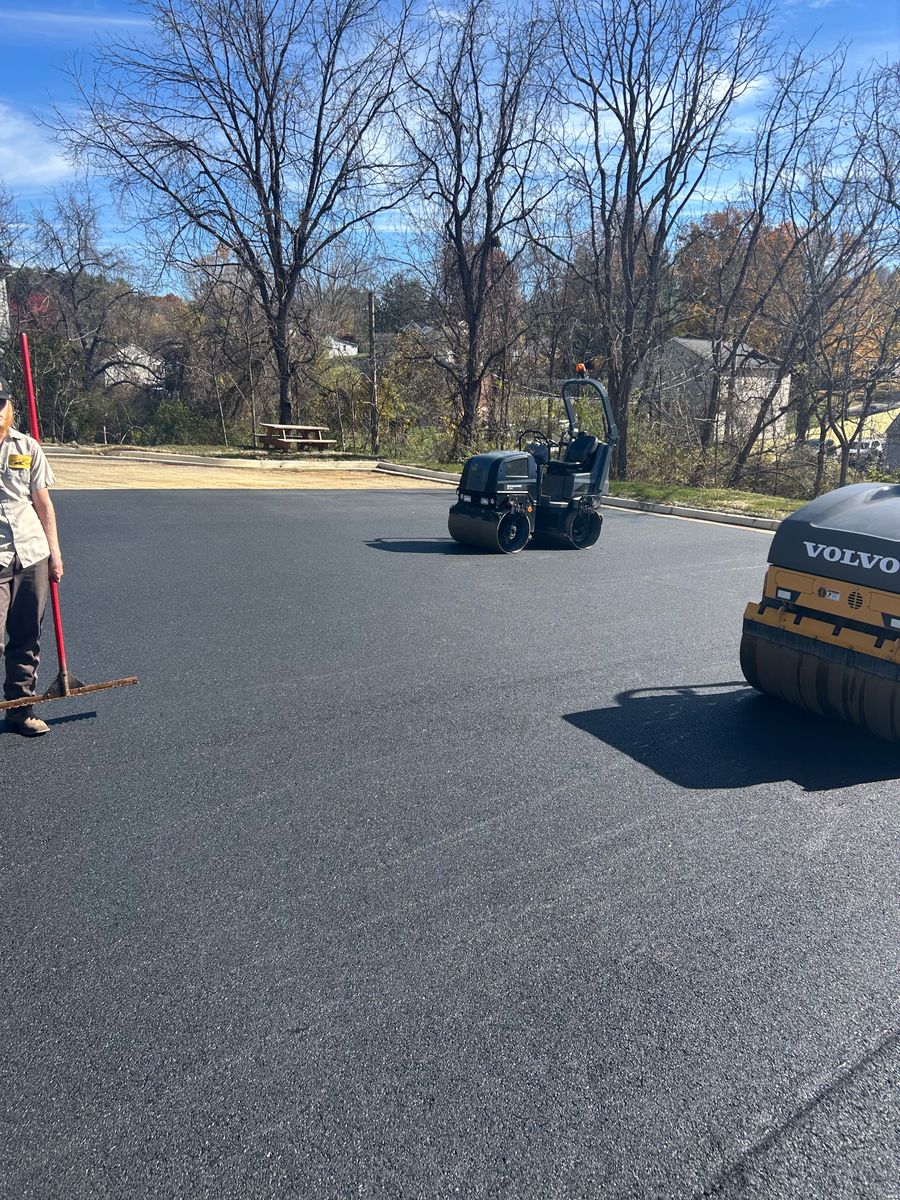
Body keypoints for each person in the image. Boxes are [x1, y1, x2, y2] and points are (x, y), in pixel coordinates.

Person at [0, 373, 63, 736]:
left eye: (0, 405)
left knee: (27, 638)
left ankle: (19, 710)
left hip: (32, 553)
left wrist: (54, 553)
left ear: (9, 407)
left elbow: (43, 503)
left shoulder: (27, 447)